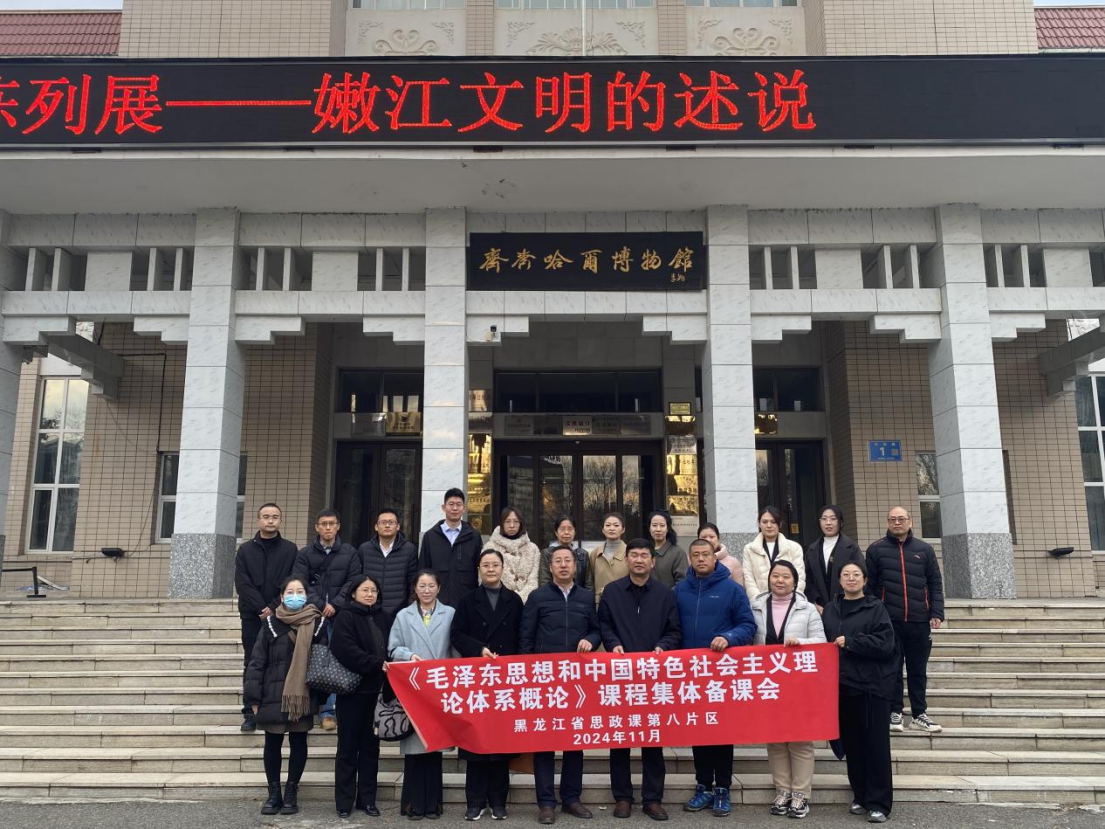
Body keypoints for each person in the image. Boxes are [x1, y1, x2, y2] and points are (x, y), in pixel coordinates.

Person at [598, 539, 682, 821]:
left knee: (653, 739)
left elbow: (674, 631)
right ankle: (622, 797)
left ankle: (653, 799)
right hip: (620, 676)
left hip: (653, 678)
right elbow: (604, 625)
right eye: (633, 555)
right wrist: (613, 645)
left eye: (644, 555)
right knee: (620, 739)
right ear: (626, 560)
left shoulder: (665, 594)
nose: (638, 560)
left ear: (652, 561)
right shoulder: (612, 592)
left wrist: (663, 646)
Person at [673, 539, 756, 817]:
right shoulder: (678, 591)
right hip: (690, 675)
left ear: (714, 557)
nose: (700, 559)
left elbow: (748, 625)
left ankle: (722, 788)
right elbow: (671, 628)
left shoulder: (732, 589)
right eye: (695, 555)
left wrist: (728, 637)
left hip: (721, 675)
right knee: (699, 731)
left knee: (721, 732)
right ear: (690, 559)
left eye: (705, 554)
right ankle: (703, 786)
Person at [520, 545, 601, 825]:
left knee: (574, 742)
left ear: (575, 566)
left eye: (568, 560)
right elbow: (526, 637)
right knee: (544, 743)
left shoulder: (586, 597)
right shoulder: (538, 597)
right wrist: (528, 675)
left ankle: (571, 798)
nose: (564, 565)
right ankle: (545, 802)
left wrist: (591, 640)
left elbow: (597, 629)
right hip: (545, 680)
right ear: (551, 566)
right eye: (558, 561)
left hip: (577, 683)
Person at [451, 550, 526, 821]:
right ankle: (475, 802)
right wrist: (479, 649)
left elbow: (522, 636)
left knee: (500, 742)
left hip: (505, 680)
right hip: (477, 678)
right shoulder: (468, 599)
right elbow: (457, 634)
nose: (491, 569)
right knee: (476, 740)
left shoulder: (514, 600)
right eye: (486, 565)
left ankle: (498, 801)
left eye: (495, 564)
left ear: (502, 568)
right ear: (479, 569)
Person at [821, 562, 897, 824]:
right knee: (852, 746)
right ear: (839, 580)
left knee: (875, 746)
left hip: (872, 687)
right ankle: (861, 796)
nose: (851, 579)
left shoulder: (876, 608)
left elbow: (886, 644)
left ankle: (879, 803)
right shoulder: (831, 609)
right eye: (846, 575)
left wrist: (852, 643)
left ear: (864, 580)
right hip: (842, 687)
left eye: (856, 575)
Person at [750, 560, 827, 819]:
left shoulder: (807, 609)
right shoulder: (756, 606)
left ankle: (801, 794)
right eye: (775, 576)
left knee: (800, 740)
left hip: (798, 684)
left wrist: (800, 642)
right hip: (767, 683)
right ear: (769, 578)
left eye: (785, 576)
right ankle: (782, 791)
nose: (780, 580)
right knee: (775, 739)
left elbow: (821, 642)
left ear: (795, 581)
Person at [244, 576, 325, 816]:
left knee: (299, 742)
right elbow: (256, 662)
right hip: (273, 693)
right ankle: (273, 793)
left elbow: (322, 663)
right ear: (281, 597)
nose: (295, 596)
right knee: (272, 743)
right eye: (290, 592)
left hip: (303, 694)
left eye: (300, 591)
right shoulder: (270, 623)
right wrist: (253, 698)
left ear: (306, 596)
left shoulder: (316, 623)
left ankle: (291, 791)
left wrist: (320, 699)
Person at [865, 506, 946, 734]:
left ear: (910, 521)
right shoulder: (876, 550)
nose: (897, 522)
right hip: (889, 621)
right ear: (887, 522)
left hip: (919, 620)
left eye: (901, 519)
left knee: (917, 669)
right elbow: (870, 587)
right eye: (892, 519)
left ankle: (919, 714)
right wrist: (873, 616)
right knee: (892, 667)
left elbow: (935, 583)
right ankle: (895, 711)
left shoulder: (924, 550)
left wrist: (937, 612)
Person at [389, 570, 456, 820]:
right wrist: (408, 656)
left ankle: (433, 804)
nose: (426, 590)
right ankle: (414, 804)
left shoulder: (450, 613)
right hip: (413, 689)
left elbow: (456, 649)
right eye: (422, 586)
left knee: (435, 748)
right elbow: (393, 648)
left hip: (439, 688)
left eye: (431, 586)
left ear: (439, 588)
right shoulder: (403, 615)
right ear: (415, 589)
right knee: (414, 751)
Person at [293, 508, 361, 731]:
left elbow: (353, 581)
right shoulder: (305, 554)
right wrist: (321, 605)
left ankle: (329, 711)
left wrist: (336, 604)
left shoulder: (350, 552)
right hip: (312, 614)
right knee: (310, 659)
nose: (328, 528)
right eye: (324, 524)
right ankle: (307, 707)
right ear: (317, 527)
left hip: (342, 615)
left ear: (338, 526)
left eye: (332, 523)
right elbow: (301, 582)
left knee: (335, 660)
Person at [330, 574, 391, 819]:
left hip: (376, 693)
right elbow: (344, 650)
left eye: (373, 590)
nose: (369, 594)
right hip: (351, 693)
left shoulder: (384, 617)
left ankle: (367, 800)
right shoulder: (345, 616)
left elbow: (391, 649)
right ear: (354, 593)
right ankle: (344, 801)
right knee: (347, 748)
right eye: (365, 590)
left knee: (370, 748)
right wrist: (375, 664)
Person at [234, 502, 297, 733]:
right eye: (266, 516)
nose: (270, 520)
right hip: (252, 615)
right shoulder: (245, 550)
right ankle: (250, 712)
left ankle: (277, 708)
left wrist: (273, 606)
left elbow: (292, 580)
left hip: (281, 614)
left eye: (275, 517)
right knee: (252, 660)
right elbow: (242, 583)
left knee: (280, 660)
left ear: (280, 520)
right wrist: (261, 607)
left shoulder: (290, 550)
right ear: (258, 520)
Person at [419, 488, 483, 610]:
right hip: (437, 601)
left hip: (467, 601)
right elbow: (423, 569)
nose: (455, 508)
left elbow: (479, 570)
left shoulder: (473, 536)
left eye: (458, 504)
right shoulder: (430, 536)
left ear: (464, 508)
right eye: (451, 504)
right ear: (443, 507)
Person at [357, 507, 418, 619]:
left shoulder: (409, 549)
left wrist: (409, 609)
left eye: (391, 522)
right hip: (369, 610)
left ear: (398, 526)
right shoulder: (364, 549)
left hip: (399, 613)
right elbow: (358, 580)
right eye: (383, 522)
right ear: (376, 527)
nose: (387, 525)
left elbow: (412, 582)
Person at [803, 505, 864, 615]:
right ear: (819, 522)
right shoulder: (812, 549)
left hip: (847, 607)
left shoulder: (851, 547)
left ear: (840, 522)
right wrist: (814, 602)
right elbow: (807, 578)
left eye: (833, 519)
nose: (828, 523)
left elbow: (861, 575)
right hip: (820, 609)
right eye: (824, 519)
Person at [743, 506, 806, 598]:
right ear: (759, 524)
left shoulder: (794, 547)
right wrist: (758, 600)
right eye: (765, 522)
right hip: (760, 601)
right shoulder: (749, 549)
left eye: (773, 522)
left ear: (780, 524)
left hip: (789, 600)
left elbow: (799, 577)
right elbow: (749, 579)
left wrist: (792, 599)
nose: (769, 526)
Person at [482, 506, 541, 601]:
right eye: (507, 521)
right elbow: (484, 578)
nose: (512, 525)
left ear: (521, 524)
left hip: (527, 602)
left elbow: (534, 581)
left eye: (516, 521)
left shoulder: (532, 549)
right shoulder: (490, 547)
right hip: (498, 602)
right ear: (502, 523)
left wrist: (520, 599)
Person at [538, 516, 590, 590]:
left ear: (575, 532)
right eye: (562, 529)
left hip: (579, 595)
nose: (566, 532)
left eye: (570, 529)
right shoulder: (547, 553)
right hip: (553, 595)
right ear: (556, 532)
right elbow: (544, 581)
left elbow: (589, 584)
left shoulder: (583, 554)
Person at [588, 512, 627, 605]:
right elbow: (590, 582)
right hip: (600, 604)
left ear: (623, 529)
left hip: (624, 603)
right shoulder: (595, 554)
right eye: (608, 525)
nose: (611, 528)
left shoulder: (630, 553)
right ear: (603, 529)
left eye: (616, 525)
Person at [646, 511, 687, 589]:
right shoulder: (644, 551)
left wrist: (666, 594)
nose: (658, 529)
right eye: (654, 525)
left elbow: (682, 582)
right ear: (649, 528)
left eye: (662, 525)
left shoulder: (678, 552)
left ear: (668, 528)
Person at [698, 522, 744, 586]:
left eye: (712, 537)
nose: (708, 540)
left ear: (718, 539)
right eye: (704, 537)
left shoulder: (733, 562)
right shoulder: (691, 561)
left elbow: (739, 588)